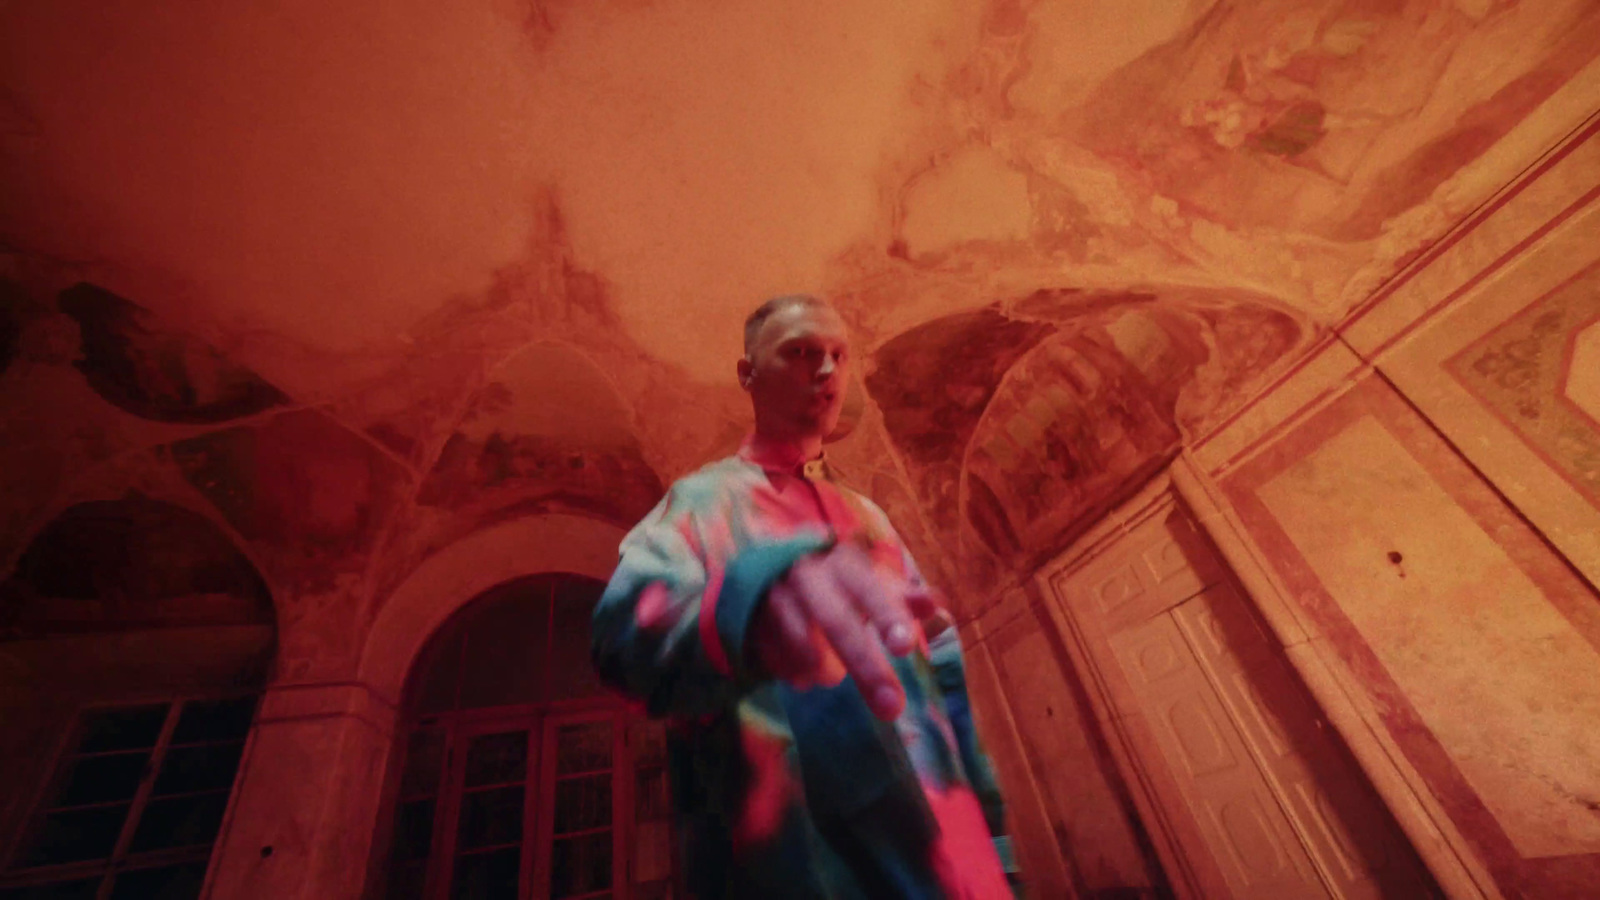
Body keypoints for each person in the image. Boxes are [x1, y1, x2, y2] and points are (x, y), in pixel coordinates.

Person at [592, 294, 1014, 899]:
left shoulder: (869, 516)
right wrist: (746, 607)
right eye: (800, 353)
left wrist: (993, 839)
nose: (826, 371)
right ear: (747, 374)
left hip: (950, 867)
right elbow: (618, 643)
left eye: (838, 356)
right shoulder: (700, 503)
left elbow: (939, 660)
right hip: (798, 869)